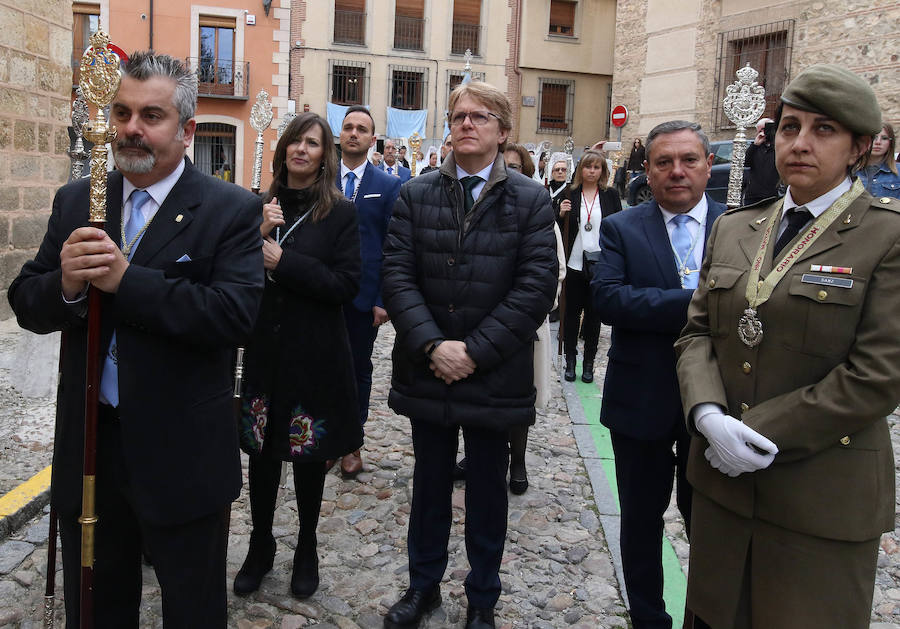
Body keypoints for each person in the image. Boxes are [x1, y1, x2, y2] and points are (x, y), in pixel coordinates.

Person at [7, 51, 264, 626]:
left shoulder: (229, 210)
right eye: (122, 112)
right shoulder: (79, 200)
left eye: (152, 115)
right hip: (93, 443)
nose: (132, 128)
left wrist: (129, 283)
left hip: (183, 454)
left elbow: (234, 315)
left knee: (192, 608)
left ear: (187, 129)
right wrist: (68, 285)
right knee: (96, 606)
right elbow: (27, 300)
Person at [675, 64, 899, 629]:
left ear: (860, 148)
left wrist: (755, 431)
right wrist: (707, 414)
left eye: (823, 130)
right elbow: (697, 331)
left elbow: (878, 373)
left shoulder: (886, 237)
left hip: (818, 497)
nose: (799, 143)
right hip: (724, 488)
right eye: (789, 127)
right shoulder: (736, 227)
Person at [381, 81, 557, 629]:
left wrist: (474, 352)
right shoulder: (416, 193)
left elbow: (535, 287)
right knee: (429, 486)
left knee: (487, 491)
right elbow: (397, 276)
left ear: (504, 131)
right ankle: (423, 586)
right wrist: (433, 345)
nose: (466, 124)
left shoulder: (530, 199)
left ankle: (483, 596)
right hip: (427, 367)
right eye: (458, 115)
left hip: (494, 372)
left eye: (480, 117)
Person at [593, 120, 726, 629]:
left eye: (689, 160)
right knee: (642, 521)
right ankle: (648, 618)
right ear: (645, 170)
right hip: (640, 398)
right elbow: (608, 299)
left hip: (714, 401)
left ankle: (705, 617)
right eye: (663, 162)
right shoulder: (622, 228)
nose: (677, 172)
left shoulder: (737, 226)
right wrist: (697, 302)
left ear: (707, 164)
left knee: (710, 523)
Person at [233, 112, 363, 599]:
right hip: (266, 351)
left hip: (314, 354)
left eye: (312, 143)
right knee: (263, 458)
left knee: (308, 458)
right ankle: (260, 543)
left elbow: (345, 286)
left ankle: (306, 544)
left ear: (324, 155)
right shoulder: (255, 206)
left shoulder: (340, 213)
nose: (302, 150)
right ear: (283, 148)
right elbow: (230, 274)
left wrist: (285, 262)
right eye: (295, 141)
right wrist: (256, 235)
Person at [335, 105, 402, 476]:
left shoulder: (388, 185)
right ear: (340, 134)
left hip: (363, 299)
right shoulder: (322, 179)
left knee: (357, 369)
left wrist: (382, 300)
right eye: (348, 127)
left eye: (361, 128)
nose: (354, 133)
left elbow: (393, 246)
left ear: (371, 139)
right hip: (323, 293)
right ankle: (329, 437)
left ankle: (352, 443)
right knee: (326, 368)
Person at [559, 150, 622, 383]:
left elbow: (618, 227)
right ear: (581, 170)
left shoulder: (610, 195)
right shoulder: (570, 193)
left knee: (594, 317)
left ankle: (588, 364)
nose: (592, 171)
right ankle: (570, 361)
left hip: (600, 264)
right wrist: (561, 213)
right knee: (571, 315)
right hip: (574, 263)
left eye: (597, 167)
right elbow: (556, 228)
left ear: (602, 171)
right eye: (588, 167)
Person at [742, 117, 781, 205]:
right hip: (754, 195)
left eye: (765, 129)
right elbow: (745, 162)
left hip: (772, 195)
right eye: (760, 131)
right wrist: (755, 145)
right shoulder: (756, 147)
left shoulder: (778, 148)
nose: (763, 133)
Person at [858, 123, 900, 199]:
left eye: (884, 138)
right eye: (874, 137)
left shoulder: (898, 172)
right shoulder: (849, 172)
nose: (878, 142)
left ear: (890, 143)